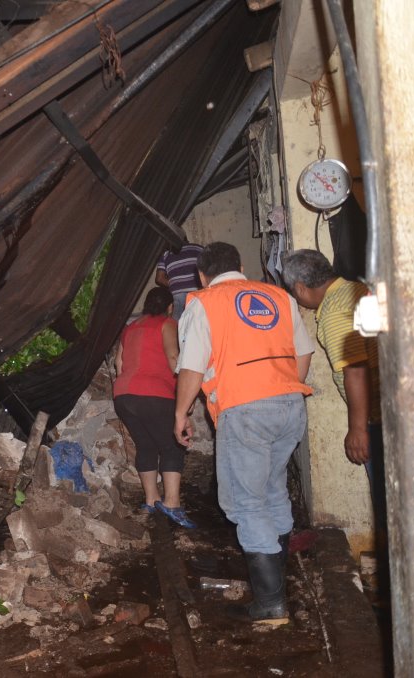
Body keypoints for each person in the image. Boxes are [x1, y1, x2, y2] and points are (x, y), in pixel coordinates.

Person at [174, 242, 314, 625]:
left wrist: (180, 413)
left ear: (202, 275)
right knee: (272, 490)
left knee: (247, 502)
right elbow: (304, 352)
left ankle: (270, 604)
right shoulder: (279, 297)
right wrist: (280, 388)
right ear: (239, 266)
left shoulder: (204, 302)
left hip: (245, 410)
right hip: (290, 405)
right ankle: (278, 584)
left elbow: (191, 366)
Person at [280, 249, 385, 522]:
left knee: (389, 503)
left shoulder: (335, 310)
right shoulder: (358, 289)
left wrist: (358, 429)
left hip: (381, 419)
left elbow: (356, 370)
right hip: (396, 411)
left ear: (301, 288)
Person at [113, 286, 194, 528]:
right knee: (172, 445)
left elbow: (119, 363)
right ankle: (172, 503)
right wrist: (184, 396)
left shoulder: (130, 327)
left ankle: (151, 499)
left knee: (146, 445)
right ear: (170, 307)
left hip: (124, 395)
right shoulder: (167, 323)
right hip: (154, 394)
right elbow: (173, 360)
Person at [156, 240, 204, 320]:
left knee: (177, 327)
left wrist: (175, 283)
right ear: (187, 240)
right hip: (197, 294)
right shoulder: (199, 248)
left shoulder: (166, 254)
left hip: (177, 295)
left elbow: (159, 278)